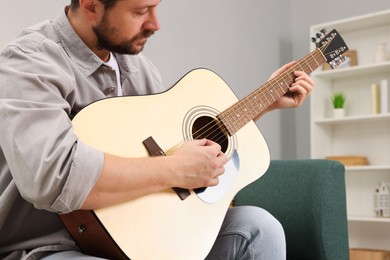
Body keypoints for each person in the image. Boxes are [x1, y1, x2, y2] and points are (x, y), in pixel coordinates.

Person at [0, 0, 315, 259]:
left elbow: (180, 148)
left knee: (259, 227)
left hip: (142, 236)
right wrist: (175, 168)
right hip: (52, 245)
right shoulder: (28, 61)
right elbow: (55, 175)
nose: (155, 23)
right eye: (140, 11)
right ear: (91, 6)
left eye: (156, 8)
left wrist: (266, 102)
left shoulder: (139, 69)